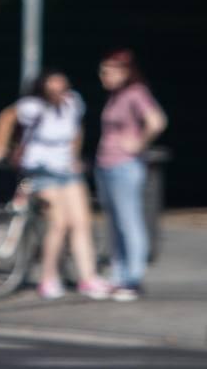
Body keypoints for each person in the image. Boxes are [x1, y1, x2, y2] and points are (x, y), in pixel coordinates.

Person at [0, 71, 108, 300]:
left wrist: (74, 156)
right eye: (53, 89)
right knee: (58, 223)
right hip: (41, 171)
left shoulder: (73, 102)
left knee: (81, 223)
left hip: (67, 171)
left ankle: (88, 277)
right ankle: (48, 278)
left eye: (62, 88)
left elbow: (76, 130)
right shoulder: (32, 106)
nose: (59, 93)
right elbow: (7, 117)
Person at [96, 49, 167, 302]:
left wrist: (139, 143)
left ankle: (133, 278)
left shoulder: (136, 93)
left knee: (129, 221)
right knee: (114, 224)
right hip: (105, 164)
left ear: (124, 72)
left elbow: (157, 120)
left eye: (108, 71)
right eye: (102, 71)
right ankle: (119, 274)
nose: (103, 75)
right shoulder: (116, 96)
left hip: (125, 166)